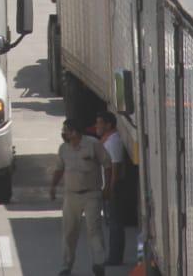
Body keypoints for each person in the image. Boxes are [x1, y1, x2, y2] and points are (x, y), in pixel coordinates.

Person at [51, 117, 111, 276]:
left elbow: (108, 165)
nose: (63, 133)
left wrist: (107, 187)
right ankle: (66, 266)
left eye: (66, 131)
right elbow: (59, 169)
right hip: (71, 196)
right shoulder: (63, 149)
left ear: (75, 132)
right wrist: (53, 186)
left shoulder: (93, 145)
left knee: (94, 231)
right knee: (69, 232)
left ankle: (98, 264)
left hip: (91, 195)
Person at [94, 112, 126, 267]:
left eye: (100, 123)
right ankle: (114, 255)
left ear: (109, 125)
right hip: (110, 186)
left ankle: (115, 257)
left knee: (115, 223)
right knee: (112, 222)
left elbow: (116, 166)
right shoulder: (107, 139)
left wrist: (110, 188)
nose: (97, 126)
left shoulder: (113, 141)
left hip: (115, 187)